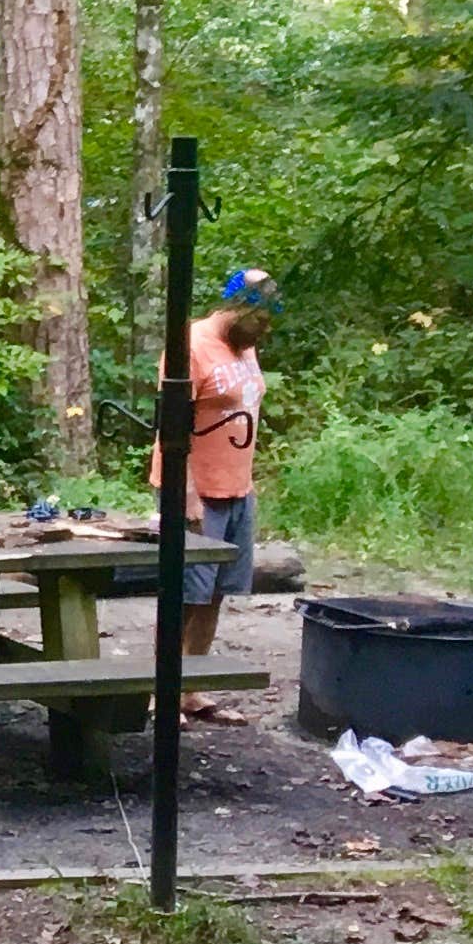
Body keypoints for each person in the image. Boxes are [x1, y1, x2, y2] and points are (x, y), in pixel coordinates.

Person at [172, 267, 276, 705]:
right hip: (197, 491)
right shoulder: (191, 346)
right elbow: (170, 429)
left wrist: (248, 483)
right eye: (261, 321)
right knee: (185, 595)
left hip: (237, 488)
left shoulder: (243, 345)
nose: (264, 332)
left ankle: (192, 688)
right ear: (238, 308)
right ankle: (166, 689)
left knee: (216, 594)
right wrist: (186, 493)